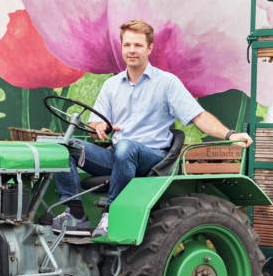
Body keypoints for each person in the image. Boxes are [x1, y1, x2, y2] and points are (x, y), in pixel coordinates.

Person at [53, 19, 253, 238]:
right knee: (65, 147)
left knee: (126, 147)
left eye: (138, 45)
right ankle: (75, 214)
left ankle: (112, 213)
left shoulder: (167, 83)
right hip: (117, 155)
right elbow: (93, 126)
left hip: (152, 157)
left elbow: (198, 116)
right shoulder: (111, 85)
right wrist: (99, 127)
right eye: (127, 45)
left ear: (149, 48)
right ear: (121, 48)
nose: (132, 50)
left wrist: (230, 134)